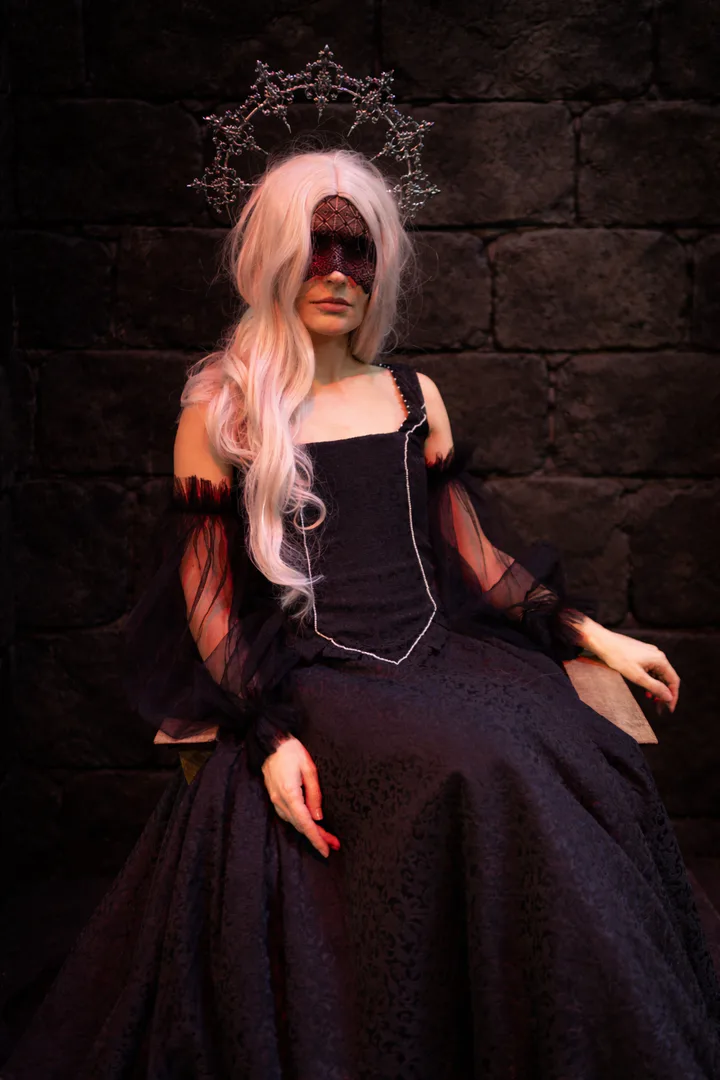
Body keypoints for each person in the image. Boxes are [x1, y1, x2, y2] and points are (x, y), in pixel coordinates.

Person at [3, 147, 719, 1080]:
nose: (338, 272)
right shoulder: (223, 413)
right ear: (275, 257)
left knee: (579, 755)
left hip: (441, 656)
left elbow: (477, 559)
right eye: (317, 247)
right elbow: (208, 598)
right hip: (322, 681)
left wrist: (595, 635)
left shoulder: (413, 398)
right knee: (478, 766)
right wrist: (268, 735)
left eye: (358, 251)